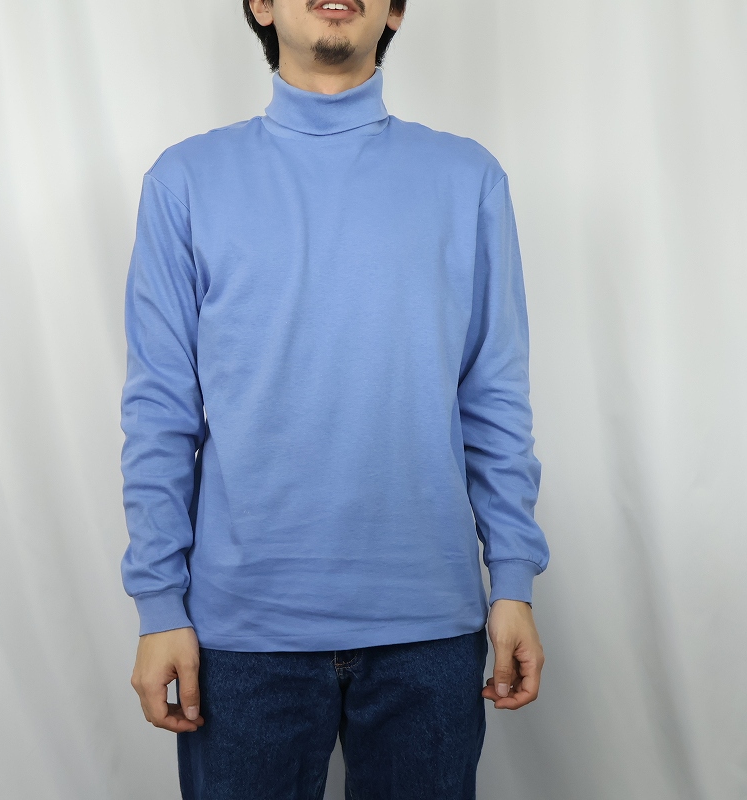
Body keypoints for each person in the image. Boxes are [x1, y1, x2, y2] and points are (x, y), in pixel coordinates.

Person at [119, 1, 550, 797]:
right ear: (259, 4)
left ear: (395, 10)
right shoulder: (186, 181)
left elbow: (493, 397)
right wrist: (159, 604)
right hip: (241, 634)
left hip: (429, 628)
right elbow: (160, 414)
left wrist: (514, 578)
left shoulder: (468, 179)